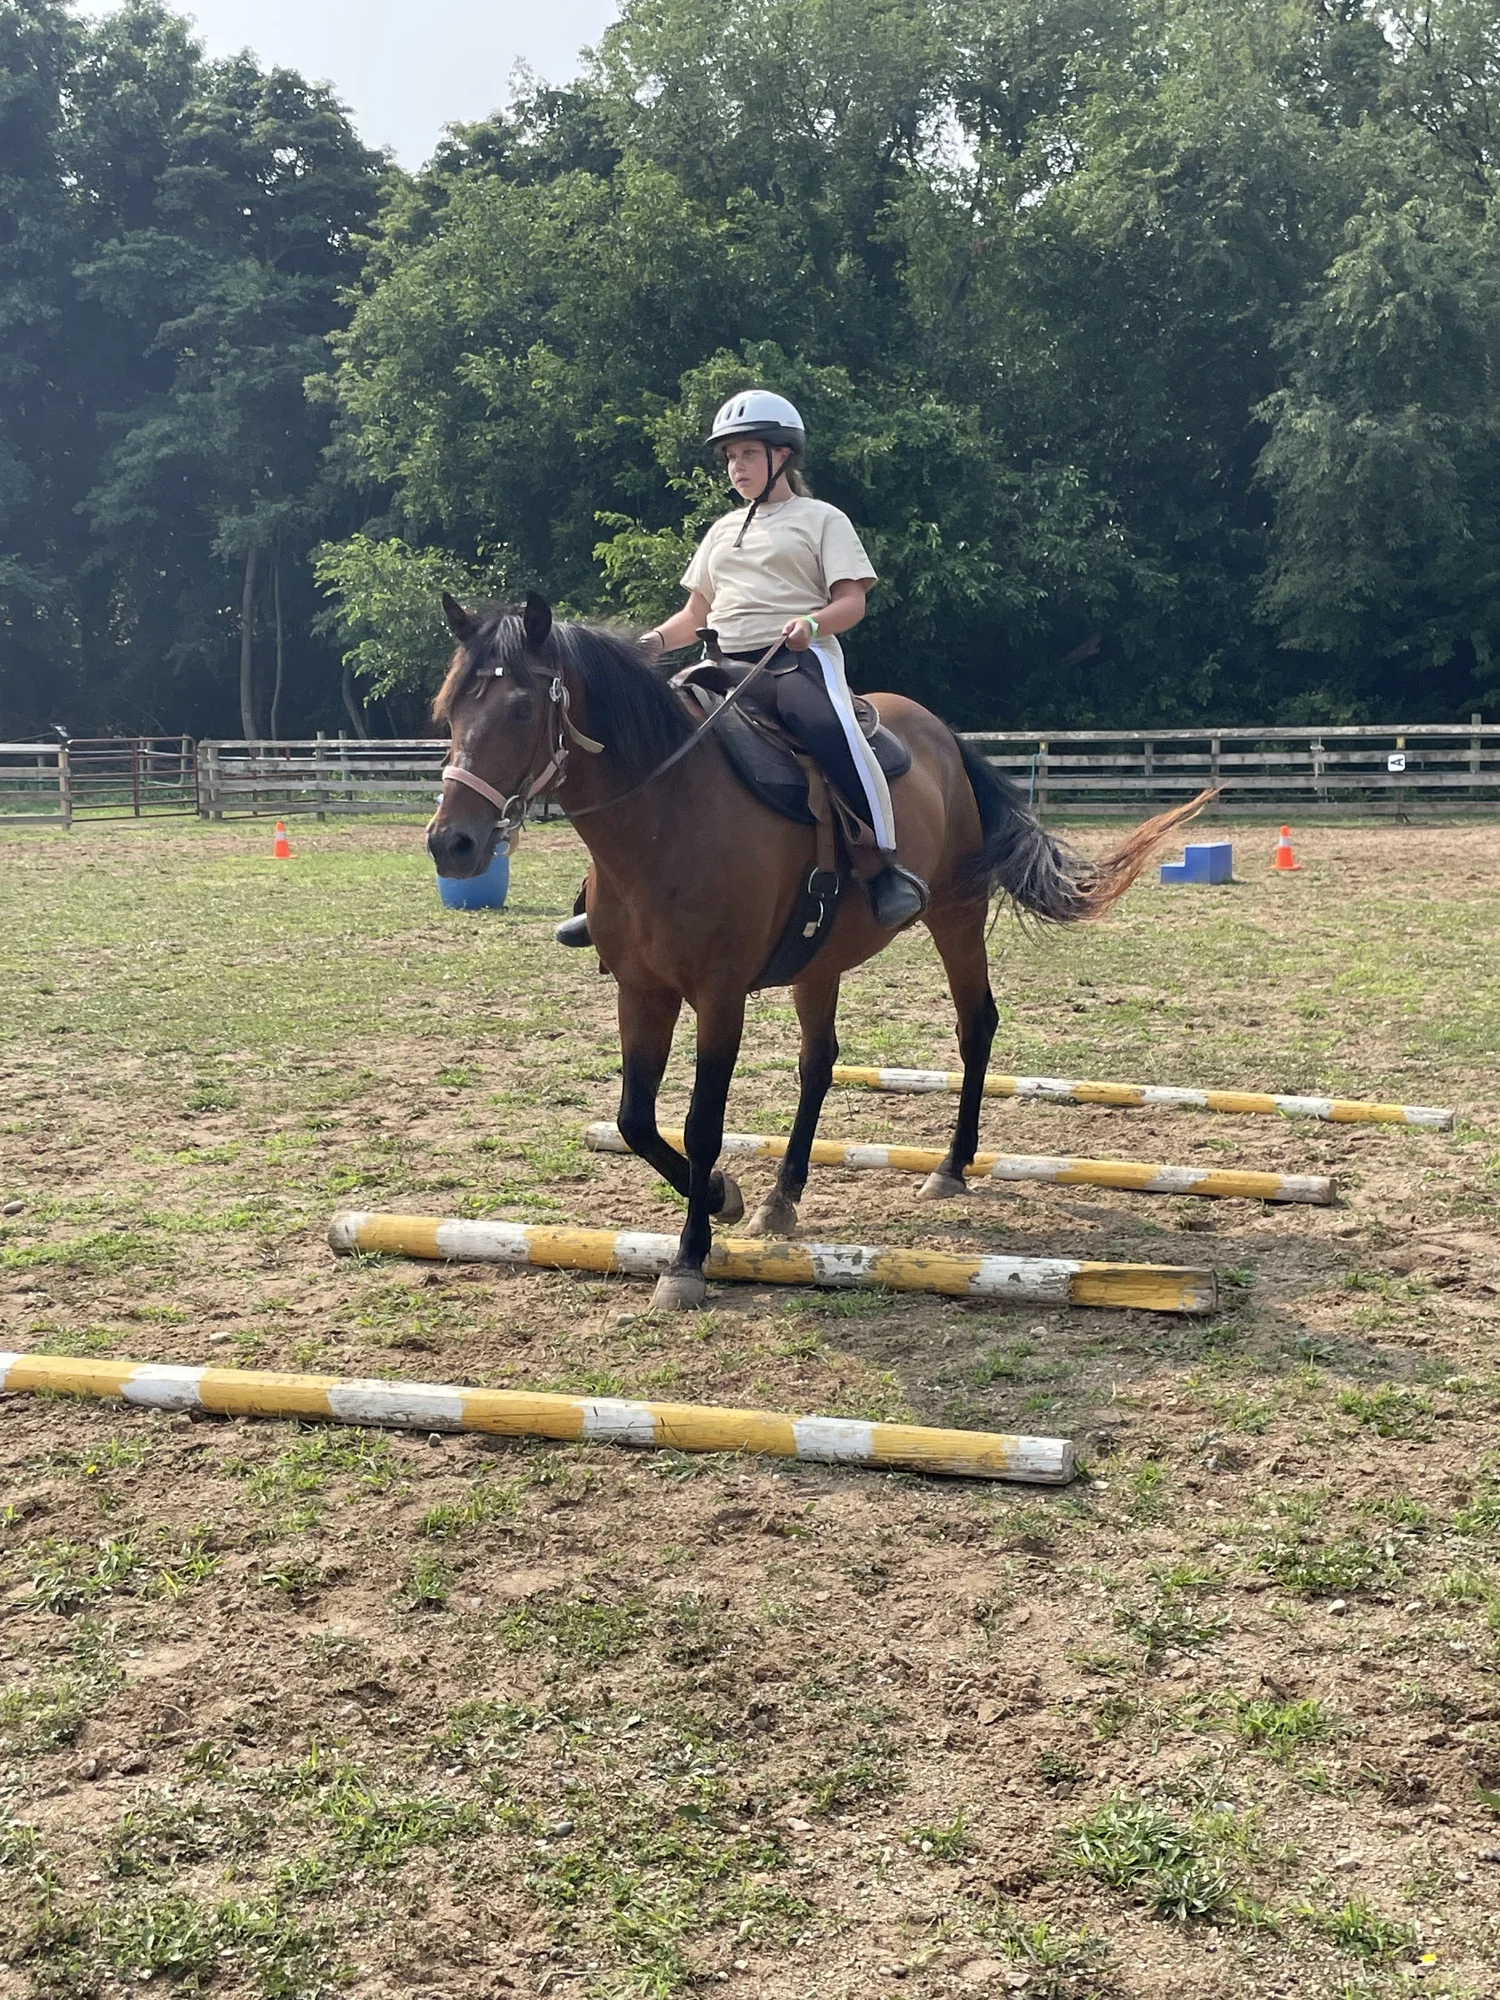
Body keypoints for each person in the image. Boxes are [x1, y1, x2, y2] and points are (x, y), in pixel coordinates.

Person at [555, 389, 927, 945]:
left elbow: (853, 601)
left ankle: (881, 868)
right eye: (730, 457)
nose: (736, 467)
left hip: (794, 663)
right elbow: (696, 613)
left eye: (747, 454)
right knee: (639, 738)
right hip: (717, 663)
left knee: (833, 731)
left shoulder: (821, 518)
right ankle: (606, 892)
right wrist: (652, 643)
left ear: (783, 455)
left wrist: (813, 623)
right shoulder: (722, 530)